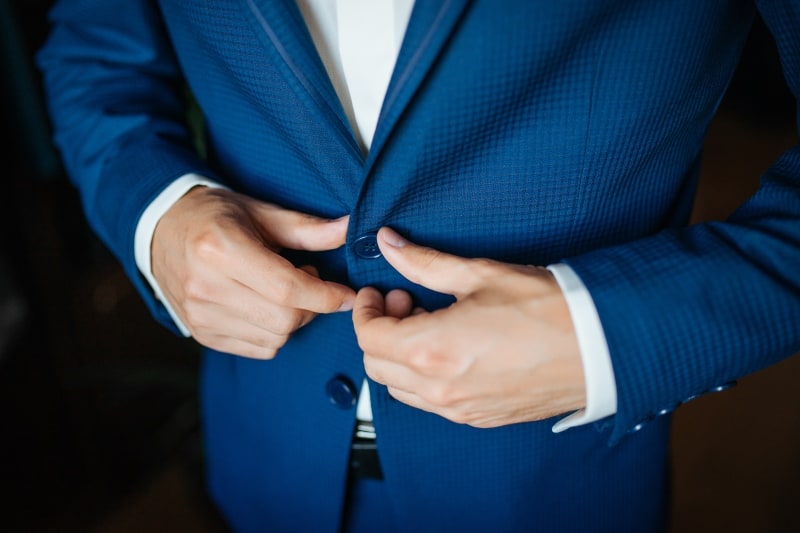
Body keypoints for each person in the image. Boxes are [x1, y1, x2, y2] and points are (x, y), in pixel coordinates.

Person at [37, 1, 800, 531]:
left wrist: (605, 337)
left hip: (557, 482)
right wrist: (158, 216)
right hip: (263, 449)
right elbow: (92, 51)